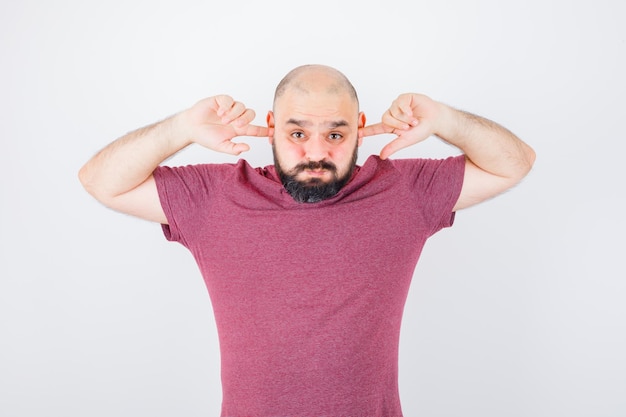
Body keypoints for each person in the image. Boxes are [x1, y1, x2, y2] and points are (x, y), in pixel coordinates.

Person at [78, 64, 535, 417]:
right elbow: (101, 181)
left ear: (360, 127)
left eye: (336, 134)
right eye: (297, 133)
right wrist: (180, 128)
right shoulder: (215, 196)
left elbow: (513, 163)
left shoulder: (402, 189)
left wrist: (444, 118)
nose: (316, 153)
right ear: (272, 126)